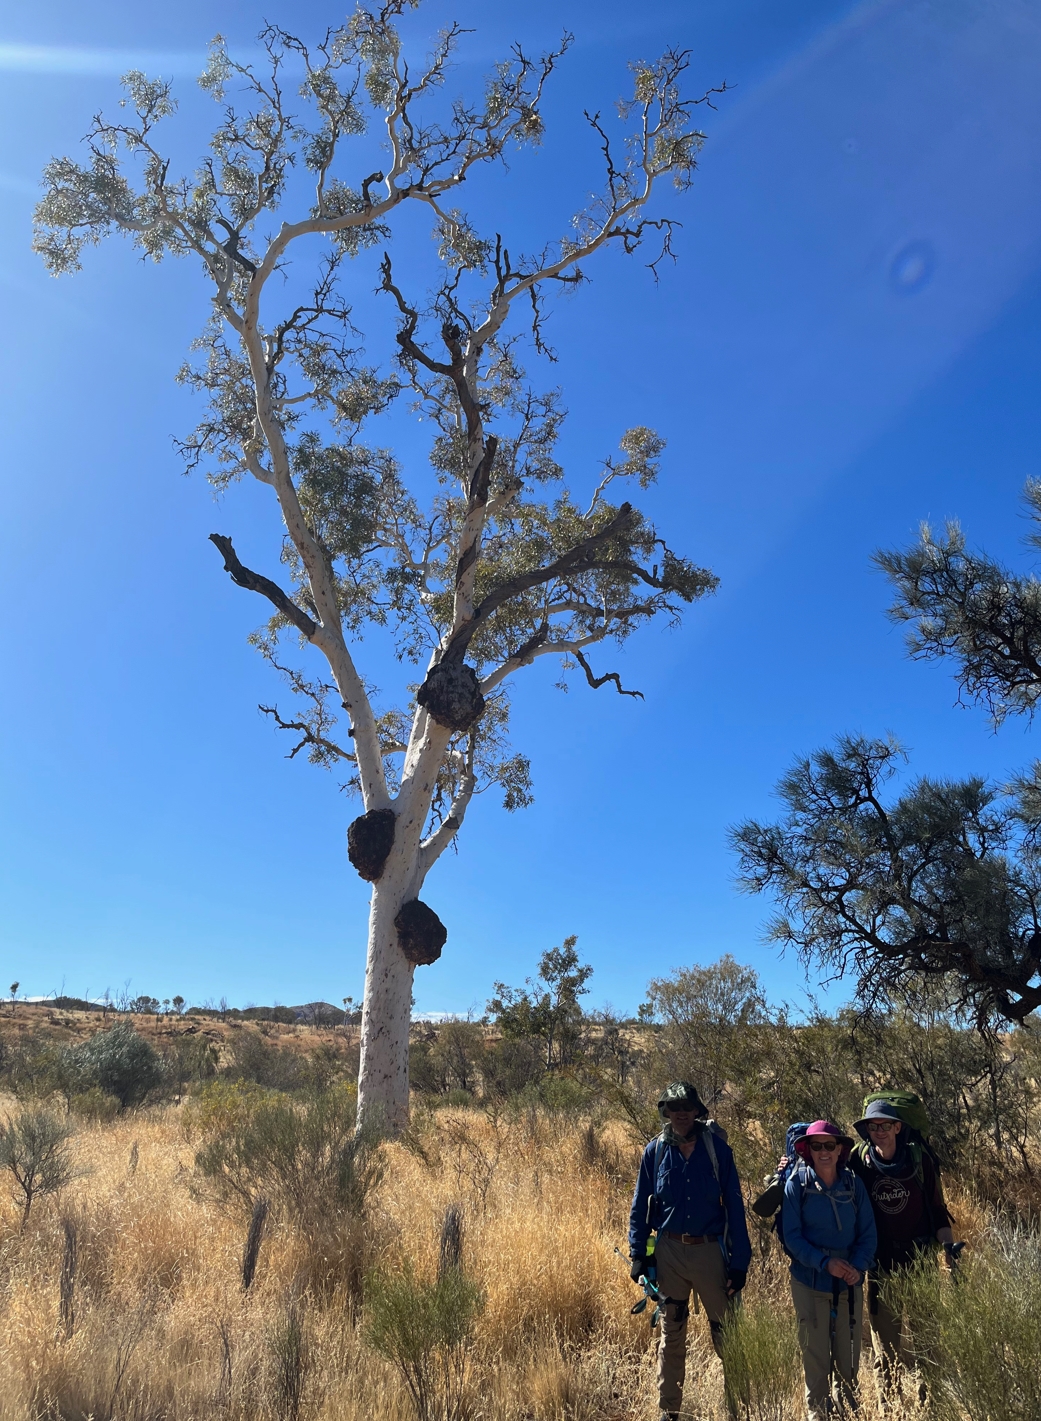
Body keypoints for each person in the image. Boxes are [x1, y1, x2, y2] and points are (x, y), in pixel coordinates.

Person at [628, 1081, 752, 1421]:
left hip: (709, 1252)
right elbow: (640, 1207)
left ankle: (738, 1409)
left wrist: (739, 1263)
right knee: (671, 1335)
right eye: (673, 1106)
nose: (680, 1112)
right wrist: (638, 1253)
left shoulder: (717, 1152)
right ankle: (669, 1412)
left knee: (727, 1335)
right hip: (668, 1252)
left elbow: (736, 1210)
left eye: (686, 1106)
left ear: (698, 1110)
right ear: (666, 1111)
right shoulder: (655, 1151)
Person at [848, 1099, 958, 1382]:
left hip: (919, 1264)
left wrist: (948, 1248)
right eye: (873, 1126)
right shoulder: (860, 1163)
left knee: (927, 1342)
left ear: (898, 1127)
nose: (879, 1131)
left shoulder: (919, 1162)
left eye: (885, 1125)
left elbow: (938, 1211)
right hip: (881, 1266)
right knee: (884, 1350)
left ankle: (932, 1404)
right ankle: (888, 1407)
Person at [782, 1120, 876, 1420]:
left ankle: (848, 1413)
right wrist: (825, 1263)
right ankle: (818, 1415)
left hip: (849, 1284)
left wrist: (857, 1267)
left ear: (840, 1151)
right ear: (807, 1151)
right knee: (816, 1360)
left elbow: (868, 1234)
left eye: (829, 1146)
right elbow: (792, 1238)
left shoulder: (853, 1184)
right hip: (810, 1283)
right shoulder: (796, 1185)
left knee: (848, 1362)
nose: (824, 1152)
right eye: (816, 1146)